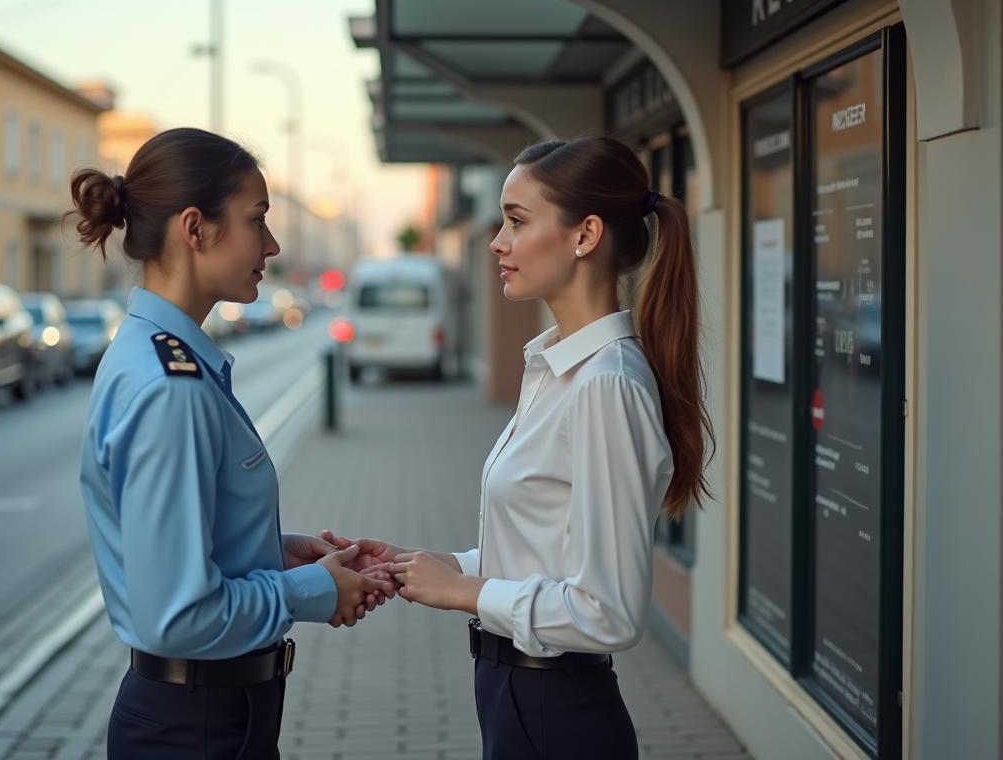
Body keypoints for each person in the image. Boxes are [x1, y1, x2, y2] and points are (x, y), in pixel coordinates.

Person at [326, 135, 713, 760]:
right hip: (517, 694)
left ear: (585, 235)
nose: (497, 242)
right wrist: (436, 565)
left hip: (555, 710)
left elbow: (607, 610)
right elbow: (549, 552)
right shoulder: (557, 369)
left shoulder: (605, 383)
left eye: (516, 220)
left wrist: (465, 593)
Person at [68, 128, 391, 760]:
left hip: (206, 713)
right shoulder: (171, 388)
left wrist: (276, 553)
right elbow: (179, 616)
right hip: (198, 725)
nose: (272, 244)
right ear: (195, 228)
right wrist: (313, 591)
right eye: (257, 219)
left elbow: (185, 545)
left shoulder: (159, 357)